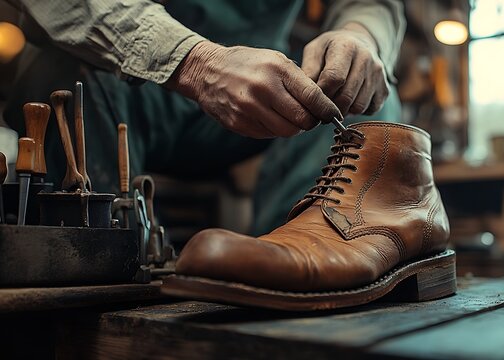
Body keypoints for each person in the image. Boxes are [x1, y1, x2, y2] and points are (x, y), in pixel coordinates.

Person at [2, 0, 405, 234]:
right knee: (59, 81)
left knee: (361, 99)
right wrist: (199, 64)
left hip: (262, 102)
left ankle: (298, 260)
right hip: (121, 82)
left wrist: (360, 34)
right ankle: (92, 280)